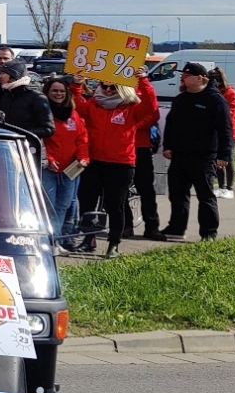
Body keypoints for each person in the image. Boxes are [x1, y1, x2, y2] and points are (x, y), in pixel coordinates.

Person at [162, 61, 233, 241]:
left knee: (205, 196)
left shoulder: (215, 100)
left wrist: (224, 155)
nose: (182, 78)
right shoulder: (181, 98)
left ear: (201, 78)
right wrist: (168, 145)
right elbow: (170, 124)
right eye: (182, 76)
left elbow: (225, 130)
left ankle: (208, 232)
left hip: (204, 157)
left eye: (187, 75)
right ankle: (176, 228)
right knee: (177, 194)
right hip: (180, 155)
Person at [74, 79, 139, 257]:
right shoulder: (94, 103)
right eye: (105, 86)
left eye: (114, 87)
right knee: (87, 203)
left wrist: (144, 83)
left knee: (115, 205)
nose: (109, 90)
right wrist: (76, 86)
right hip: (93, 161)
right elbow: (76, 110)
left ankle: (114, 244)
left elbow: (151, 110)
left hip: (121, 163)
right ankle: (88, 239)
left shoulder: (131, 106)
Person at [40, 76, 88, 247]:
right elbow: (40, 139)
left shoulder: (73, 114)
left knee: (62, 206)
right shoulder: (42, 112)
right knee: (49, 207)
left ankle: (55, 241)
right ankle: (46, 241)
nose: (58, 94)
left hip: (71, 170)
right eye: (54, 91)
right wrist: (49, 159)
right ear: (47, 92)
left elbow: (81, 139)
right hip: (48, 169)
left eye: (61, 91)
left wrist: (83, 158)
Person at [129, 67, 162, 239]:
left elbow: (154, 113)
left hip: (140, 146)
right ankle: (125, 225)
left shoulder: (143, 88)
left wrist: (135, 128)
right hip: (118, 147)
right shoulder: (111, 87)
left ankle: (151, 226)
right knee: (120, 190)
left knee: (146, 189)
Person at [0, 59, 54, 141]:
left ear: (14, 75)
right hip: (8, 146)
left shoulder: (37, 97)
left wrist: (20, 134)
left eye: (3, 73)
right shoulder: (5, 94)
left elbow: (48, 129)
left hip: (28, 149)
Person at [211, 67, 235, 196]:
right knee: (217, 159)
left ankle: (229, 187)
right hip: (216, 131)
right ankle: (221, 186)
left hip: (230, 131)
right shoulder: (215, 92)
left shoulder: (231, 93)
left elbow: (231, 112)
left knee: (229, 159)